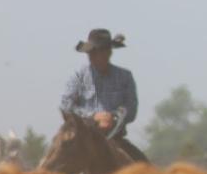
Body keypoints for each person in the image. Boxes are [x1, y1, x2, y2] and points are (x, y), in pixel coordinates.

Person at [60, 28, 147, 162]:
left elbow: (131, 108)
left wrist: (113, 117)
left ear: (108, 52)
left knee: (146, 170)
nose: (93, 56)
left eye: (98, 52)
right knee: (54, 171)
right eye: (91, 53)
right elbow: (66, 106)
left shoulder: (125, 77)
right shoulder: (78, 76)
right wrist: (92, 117)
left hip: (116, 140)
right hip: (83, 142)